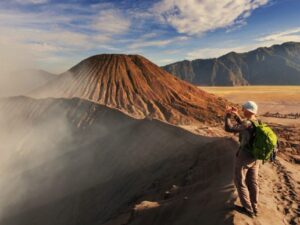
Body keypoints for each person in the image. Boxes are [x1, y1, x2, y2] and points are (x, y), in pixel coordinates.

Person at [224, 101, 259, 218]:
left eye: (244, 109)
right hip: (255, 157)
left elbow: (229, 128)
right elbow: (246, 127)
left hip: (245, 156)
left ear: (248, 111)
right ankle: (255, 207)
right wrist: (236, 115)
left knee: (239, 181)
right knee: (252, 182)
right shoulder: (257, 121)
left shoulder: (247, 123)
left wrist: (227, 116)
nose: (242, 110)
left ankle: (247, 209)